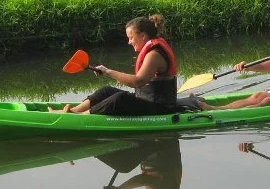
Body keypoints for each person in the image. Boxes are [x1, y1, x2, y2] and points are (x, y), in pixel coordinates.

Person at [51, 14, 179, 115]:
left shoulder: (154, 55)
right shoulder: (151, 51)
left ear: (143, 35)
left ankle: (81, 116)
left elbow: (138, 81)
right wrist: (112, 73)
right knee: (106, 90)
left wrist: (108, 72)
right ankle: (74, 111)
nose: (129, 42)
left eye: (131, 37)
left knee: (120, 99)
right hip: (146, 100)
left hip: (161, 108)